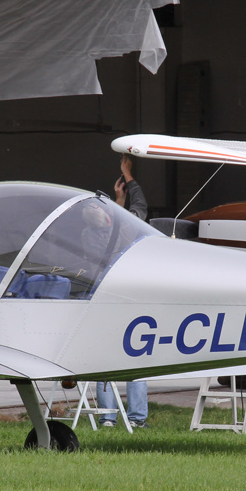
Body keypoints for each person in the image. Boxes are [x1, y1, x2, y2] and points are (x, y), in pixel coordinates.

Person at [98, 155, 149, 428]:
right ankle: (137, 419)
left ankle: (107, 418)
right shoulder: (133, 227)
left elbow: (114, 222)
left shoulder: (90, 236)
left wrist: (117, 202)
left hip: (106, 301)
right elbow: (140, 203)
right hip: (133, 300)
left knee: (103, 358)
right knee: (136, 358)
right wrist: (127, 173)